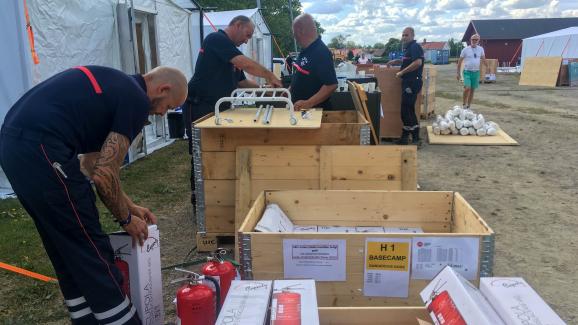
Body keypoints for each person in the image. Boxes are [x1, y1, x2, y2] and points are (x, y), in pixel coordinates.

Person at [0, 65, 187, 324]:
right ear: (162, 89)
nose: (161, 114)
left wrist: (129, 205)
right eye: (167, 106)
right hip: (41, 148)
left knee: (66, 245)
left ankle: (87, 318)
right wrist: (125, 218)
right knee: (90, 245)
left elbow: (91, 164)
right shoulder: (135, 98)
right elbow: (104, 175)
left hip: (15, 146)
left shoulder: (115, 87)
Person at [290, 13, 338, 110]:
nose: (293, 36)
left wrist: (308, 103)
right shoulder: (306, 50)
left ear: (300, 31)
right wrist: (290, 90)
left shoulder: (320, 52)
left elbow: (331, 85)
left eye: (293, 31)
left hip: (315, 114)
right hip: (304, 113)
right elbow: (302, 76)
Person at [386, 27, 424, 145]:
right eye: (402, 35)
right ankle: (405, 137)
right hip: (408, 82)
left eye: (406, 35)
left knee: (406, 110)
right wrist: (396, 61)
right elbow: (407, 60)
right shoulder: (408, 48)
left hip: (412, 82)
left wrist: (402, 72)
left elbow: (417, 62)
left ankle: (416, 138)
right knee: (407, 110)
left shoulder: (415, 47)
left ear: (412, 36)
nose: (403, 37)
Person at [457, 34, 487, 109]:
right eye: (473, 39)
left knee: (472, 90)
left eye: (476, 40)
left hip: (476, 72)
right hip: (467, 72)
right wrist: (458, 73)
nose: (474, 41)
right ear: (470, 40)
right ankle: (464, 104)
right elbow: (459, 62)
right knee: (467, 88)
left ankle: (468, 106)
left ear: (478, 41)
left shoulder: (481, 49)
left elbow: (483, 59)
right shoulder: (465, 50)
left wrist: (488, 67)